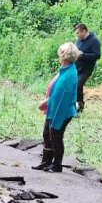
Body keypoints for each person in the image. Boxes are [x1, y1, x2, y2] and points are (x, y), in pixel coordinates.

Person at [33, 42, 81, 172]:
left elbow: (64, 100)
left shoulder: (69, 74)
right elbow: (56, 93)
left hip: (61, 112)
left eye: (60, 54)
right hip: (53, 109)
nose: (59, 56)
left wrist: (55, 119)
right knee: (47, 135)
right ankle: (46, 161)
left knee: (55, 135)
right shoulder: (65, 70)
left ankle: (57, 165)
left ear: (64, 56)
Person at [74, 23, 101, 112]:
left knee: (78, 85)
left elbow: (97, 55)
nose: (77, 35)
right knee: (77, 86)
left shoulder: (94, 41)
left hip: (86, 69)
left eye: (78, 33)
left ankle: (78, 106)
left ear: (84, 31)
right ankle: (79, 106)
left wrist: (83, 55)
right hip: (76, 68)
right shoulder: (79, 40)